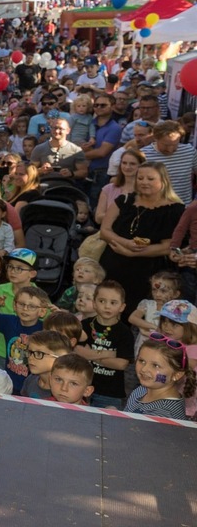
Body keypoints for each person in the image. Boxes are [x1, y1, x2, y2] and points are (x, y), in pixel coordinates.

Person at [98, 161, 185, 310]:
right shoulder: (124, 201)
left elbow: (168, 246)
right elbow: (104, 231)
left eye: (150, 179)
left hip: (148, 274)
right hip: (113, 267)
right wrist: (126, 243)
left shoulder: (174, 210)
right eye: (140, 178)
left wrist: (132, 253)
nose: (144, 182)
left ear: (163, 181)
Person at [75, 280, 135, 409]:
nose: (107, 306)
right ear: (94, 303)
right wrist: (109, 354)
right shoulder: (84, 325)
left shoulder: (125, 333)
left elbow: (121, 364)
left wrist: (90, 355)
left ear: (122, 307)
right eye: (102, 301)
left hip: (110, 393)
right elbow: (76, 352)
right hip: (80, 387)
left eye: (113, 303)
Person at [123, 334, 195, 419]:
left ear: (177, 375)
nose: (144, 369)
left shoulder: (165, 415)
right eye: (141, 361)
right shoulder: (142, 390)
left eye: (155, 365)